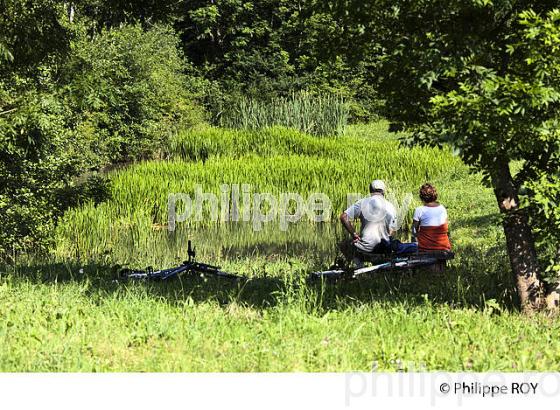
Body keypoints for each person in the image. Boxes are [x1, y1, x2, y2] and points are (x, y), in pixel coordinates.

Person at [339, 180, 397, 267]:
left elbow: (343, 217)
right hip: (384, 249)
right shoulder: (391, 206)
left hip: (365, 248)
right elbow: (392, 231)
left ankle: (357, 267)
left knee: (344, 244)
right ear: (383, 191)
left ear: (370, 190)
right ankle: (378, 264)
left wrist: (354, 234)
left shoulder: (363, 202)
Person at [412, 183, 451, 251]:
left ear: (422, 197)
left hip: (425, 248)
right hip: (444, 247)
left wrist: (416, 237)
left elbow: (414, 230)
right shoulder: (442, 208)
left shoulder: (419, 210)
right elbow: (446, 228)